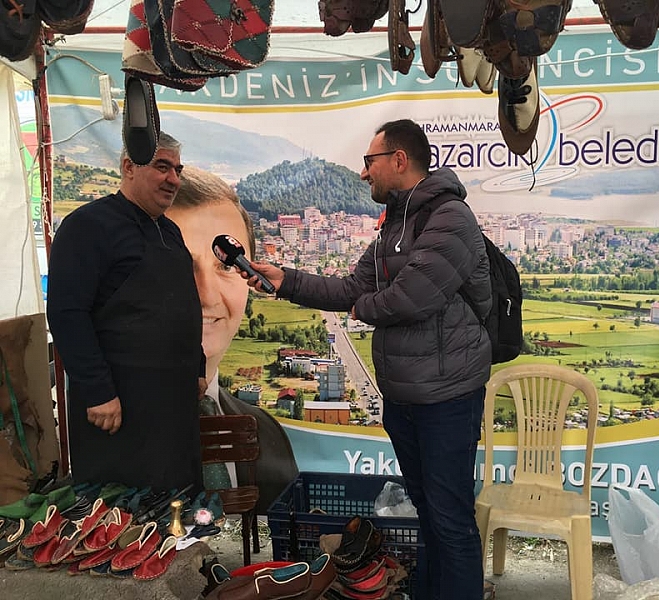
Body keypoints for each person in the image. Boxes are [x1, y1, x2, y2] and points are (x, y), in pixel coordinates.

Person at [240, 119, 492, 600]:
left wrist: (364, 310)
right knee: (428, 512)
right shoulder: (395, 224)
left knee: (451, 519)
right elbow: (351, 287)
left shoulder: (450, 217)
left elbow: (412, 297)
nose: (362, 172)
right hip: (404, 397)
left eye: (369, 161)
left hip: (446, 398)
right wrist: (285, 279)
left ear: (399, 160)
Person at [47, 132, 206, 494]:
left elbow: (182, 305)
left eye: (178, 170)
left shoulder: (170, 232)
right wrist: (97, 391)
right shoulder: (87, 226)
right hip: (119, 409)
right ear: (128, 167)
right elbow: (67, 313)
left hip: (174, 409)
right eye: (162, 167)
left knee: (176, 506)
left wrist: (196, 367)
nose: (173, 179)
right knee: (122, 511)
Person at [165, 166, 298, 511]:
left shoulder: (267, 433)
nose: (206, 295)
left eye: (226, 266)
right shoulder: (116, 433)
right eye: (179, 265)